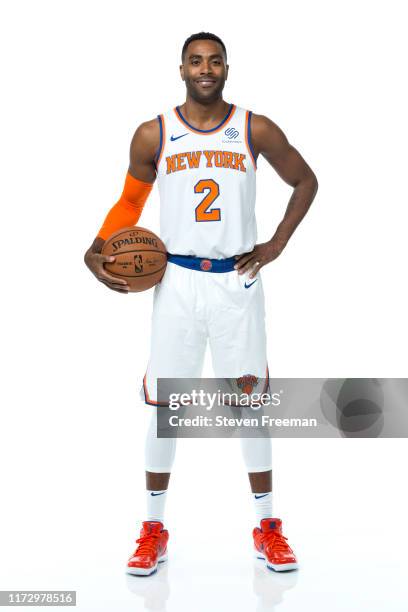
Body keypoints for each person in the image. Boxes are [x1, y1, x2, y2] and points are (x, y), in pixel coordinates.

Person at [84, 31, 318, 576]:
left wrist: (277, 243)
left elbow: (304, 179)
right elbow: (130, 201)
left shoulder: (254, 128)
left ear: (227, 69)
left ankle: (266, 528)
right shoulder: (154, 133)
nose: (205, 69)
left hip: (237, 280)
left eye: (214, 61)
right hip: (177, 283)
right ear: (182, 69)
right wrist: (96, 249)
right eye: (196, 61)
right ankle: (152, 528)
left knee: (248, 405)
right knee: (167, 409)